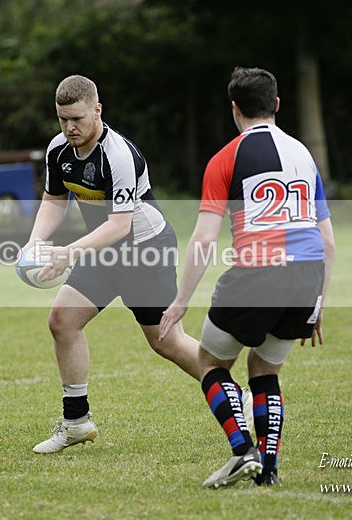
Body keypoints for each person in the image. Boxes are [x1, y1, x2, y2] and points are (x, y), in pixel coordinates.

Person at [24, 75, 251, 454]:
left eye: (77, 118)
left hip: (144, 250)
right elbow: (53, 199)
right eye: (62, 120)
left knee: (165, 340)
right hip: (102, 250)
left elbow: (120, 225)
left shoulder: (118, 154)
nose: (70, 128)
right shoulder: (58, 150)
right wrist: (36, 241)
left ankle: (234, 394)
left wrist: (68, 252)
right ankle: (77, 422)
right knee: (62, 320)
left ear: (98, 110)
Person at [159, 67, 336, 488]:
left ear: (234, 109)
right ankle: (268, 469)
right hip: (307, 276)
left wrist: (181, 300)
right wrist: (318, 304)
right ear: (277, 104)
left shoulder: (226, 158)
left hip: (258, 273)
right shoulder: (304, 155)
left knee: (209, 361)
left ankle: (242, 452)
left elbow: (204, 237)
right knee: (265, 369)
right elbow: (327, 240)